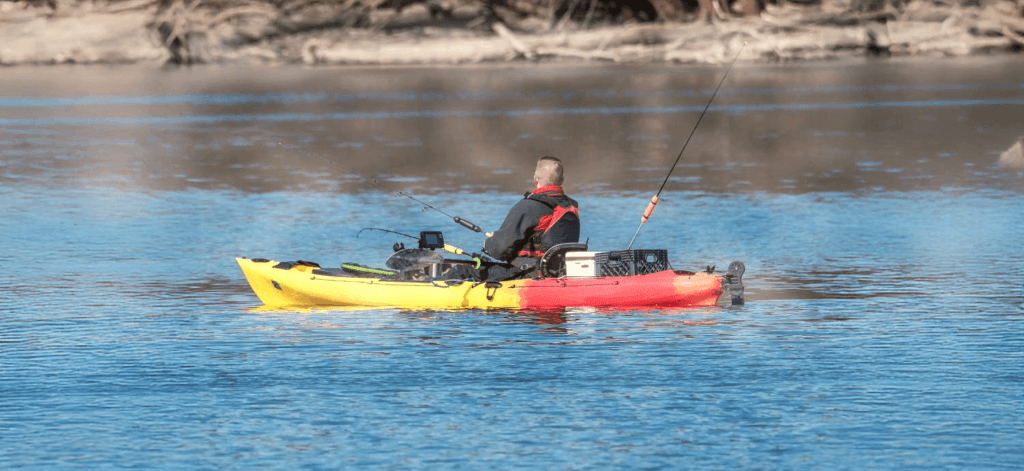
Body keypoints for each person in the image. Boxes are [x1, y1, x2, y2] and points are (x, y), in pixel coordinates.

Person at [481, 156, 580, 280]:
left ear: (535, 179)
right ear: (562, 180)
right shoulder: (571, 207)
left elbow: (501, 250)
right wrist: (497, 236)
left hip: (528, 275)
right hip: (558, 272)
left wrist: (488, 244)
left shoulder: (527, 206)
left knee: (463, 271)